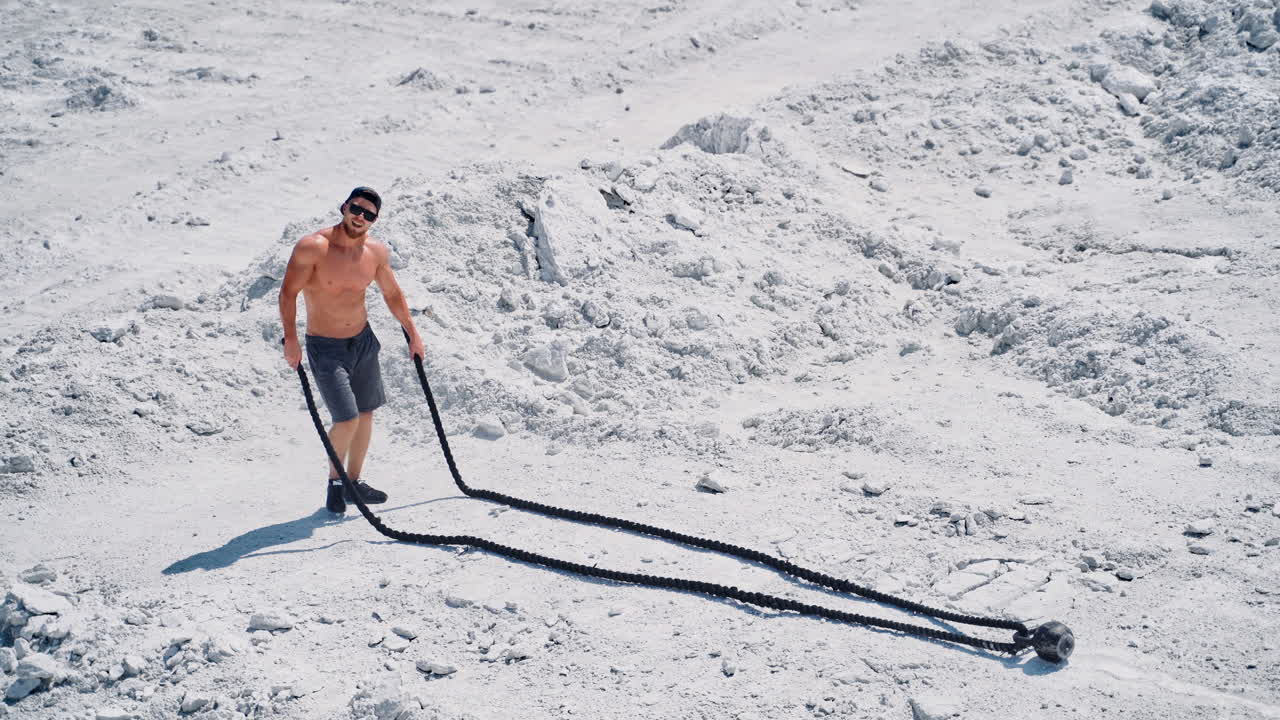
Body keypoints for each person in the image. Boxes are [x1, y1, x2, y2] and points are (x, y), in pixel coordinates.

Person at [279, 187, 426, 513]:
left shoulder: (374, 253)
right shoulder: (313, 247)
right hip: (326, 348)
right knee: (345, 418)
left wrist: (413, 334)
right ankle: (336, 482)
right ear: (345, 206)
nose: (361, 217)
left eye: (369, 214)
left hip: (363, 342)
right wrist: (291, 339)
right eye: (357, 209)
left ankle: (354, 483)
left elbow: (392, 294)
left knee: (365, 413)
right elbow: (288, 293)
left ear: (374, 220)